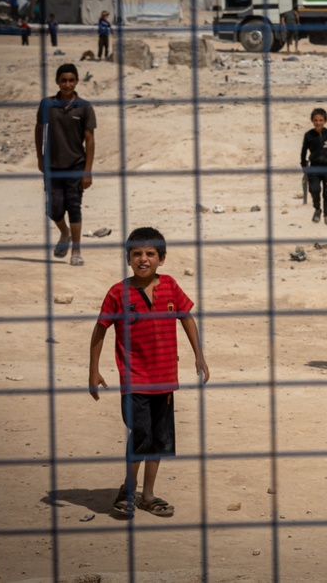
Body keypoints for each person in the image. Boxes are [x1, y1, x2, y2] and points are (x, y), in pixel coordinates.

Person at [89, 227, 210, 519]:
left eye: (150, 254)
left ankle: (148, 494)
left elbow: (186, 317)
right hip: (134, 380)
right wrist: (93, 370)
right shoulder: (118, 292)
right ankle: (127, 491)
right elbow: (100, 328)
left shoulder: (170, 286)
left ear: (162, 258)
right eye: (137, 254)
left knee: (159, 439)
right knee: (140, 434)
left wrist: (199, 355)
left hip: (165, 379)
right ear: (128, 258)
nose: (144, 259)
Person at [35, 63, 96, 266]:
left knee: (74, 207)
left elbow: (90, 139)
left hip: (75, 166)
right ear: (57, 82)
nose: (67, 84)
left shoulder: (84, 107)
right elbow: (38, 130)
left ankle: (76, 251)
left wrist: (87, 171)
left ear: (77, 81)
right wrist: (39, 157)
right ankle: (64, 233)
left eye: (71, 80)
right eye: (63, 80)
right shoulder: (47, 105)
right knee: (53, 209)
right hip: (52, 166)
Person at [300, 107, 327, 226]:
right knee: (314, 190)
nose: (318, 122)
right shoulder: (309, 135)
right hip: (314, 168)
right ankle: (317, 209)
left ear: (325, 121)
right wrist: (303, 164)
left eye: (320, 120)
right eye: (316, 120)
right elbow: (304, 150)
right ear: (312, 121)